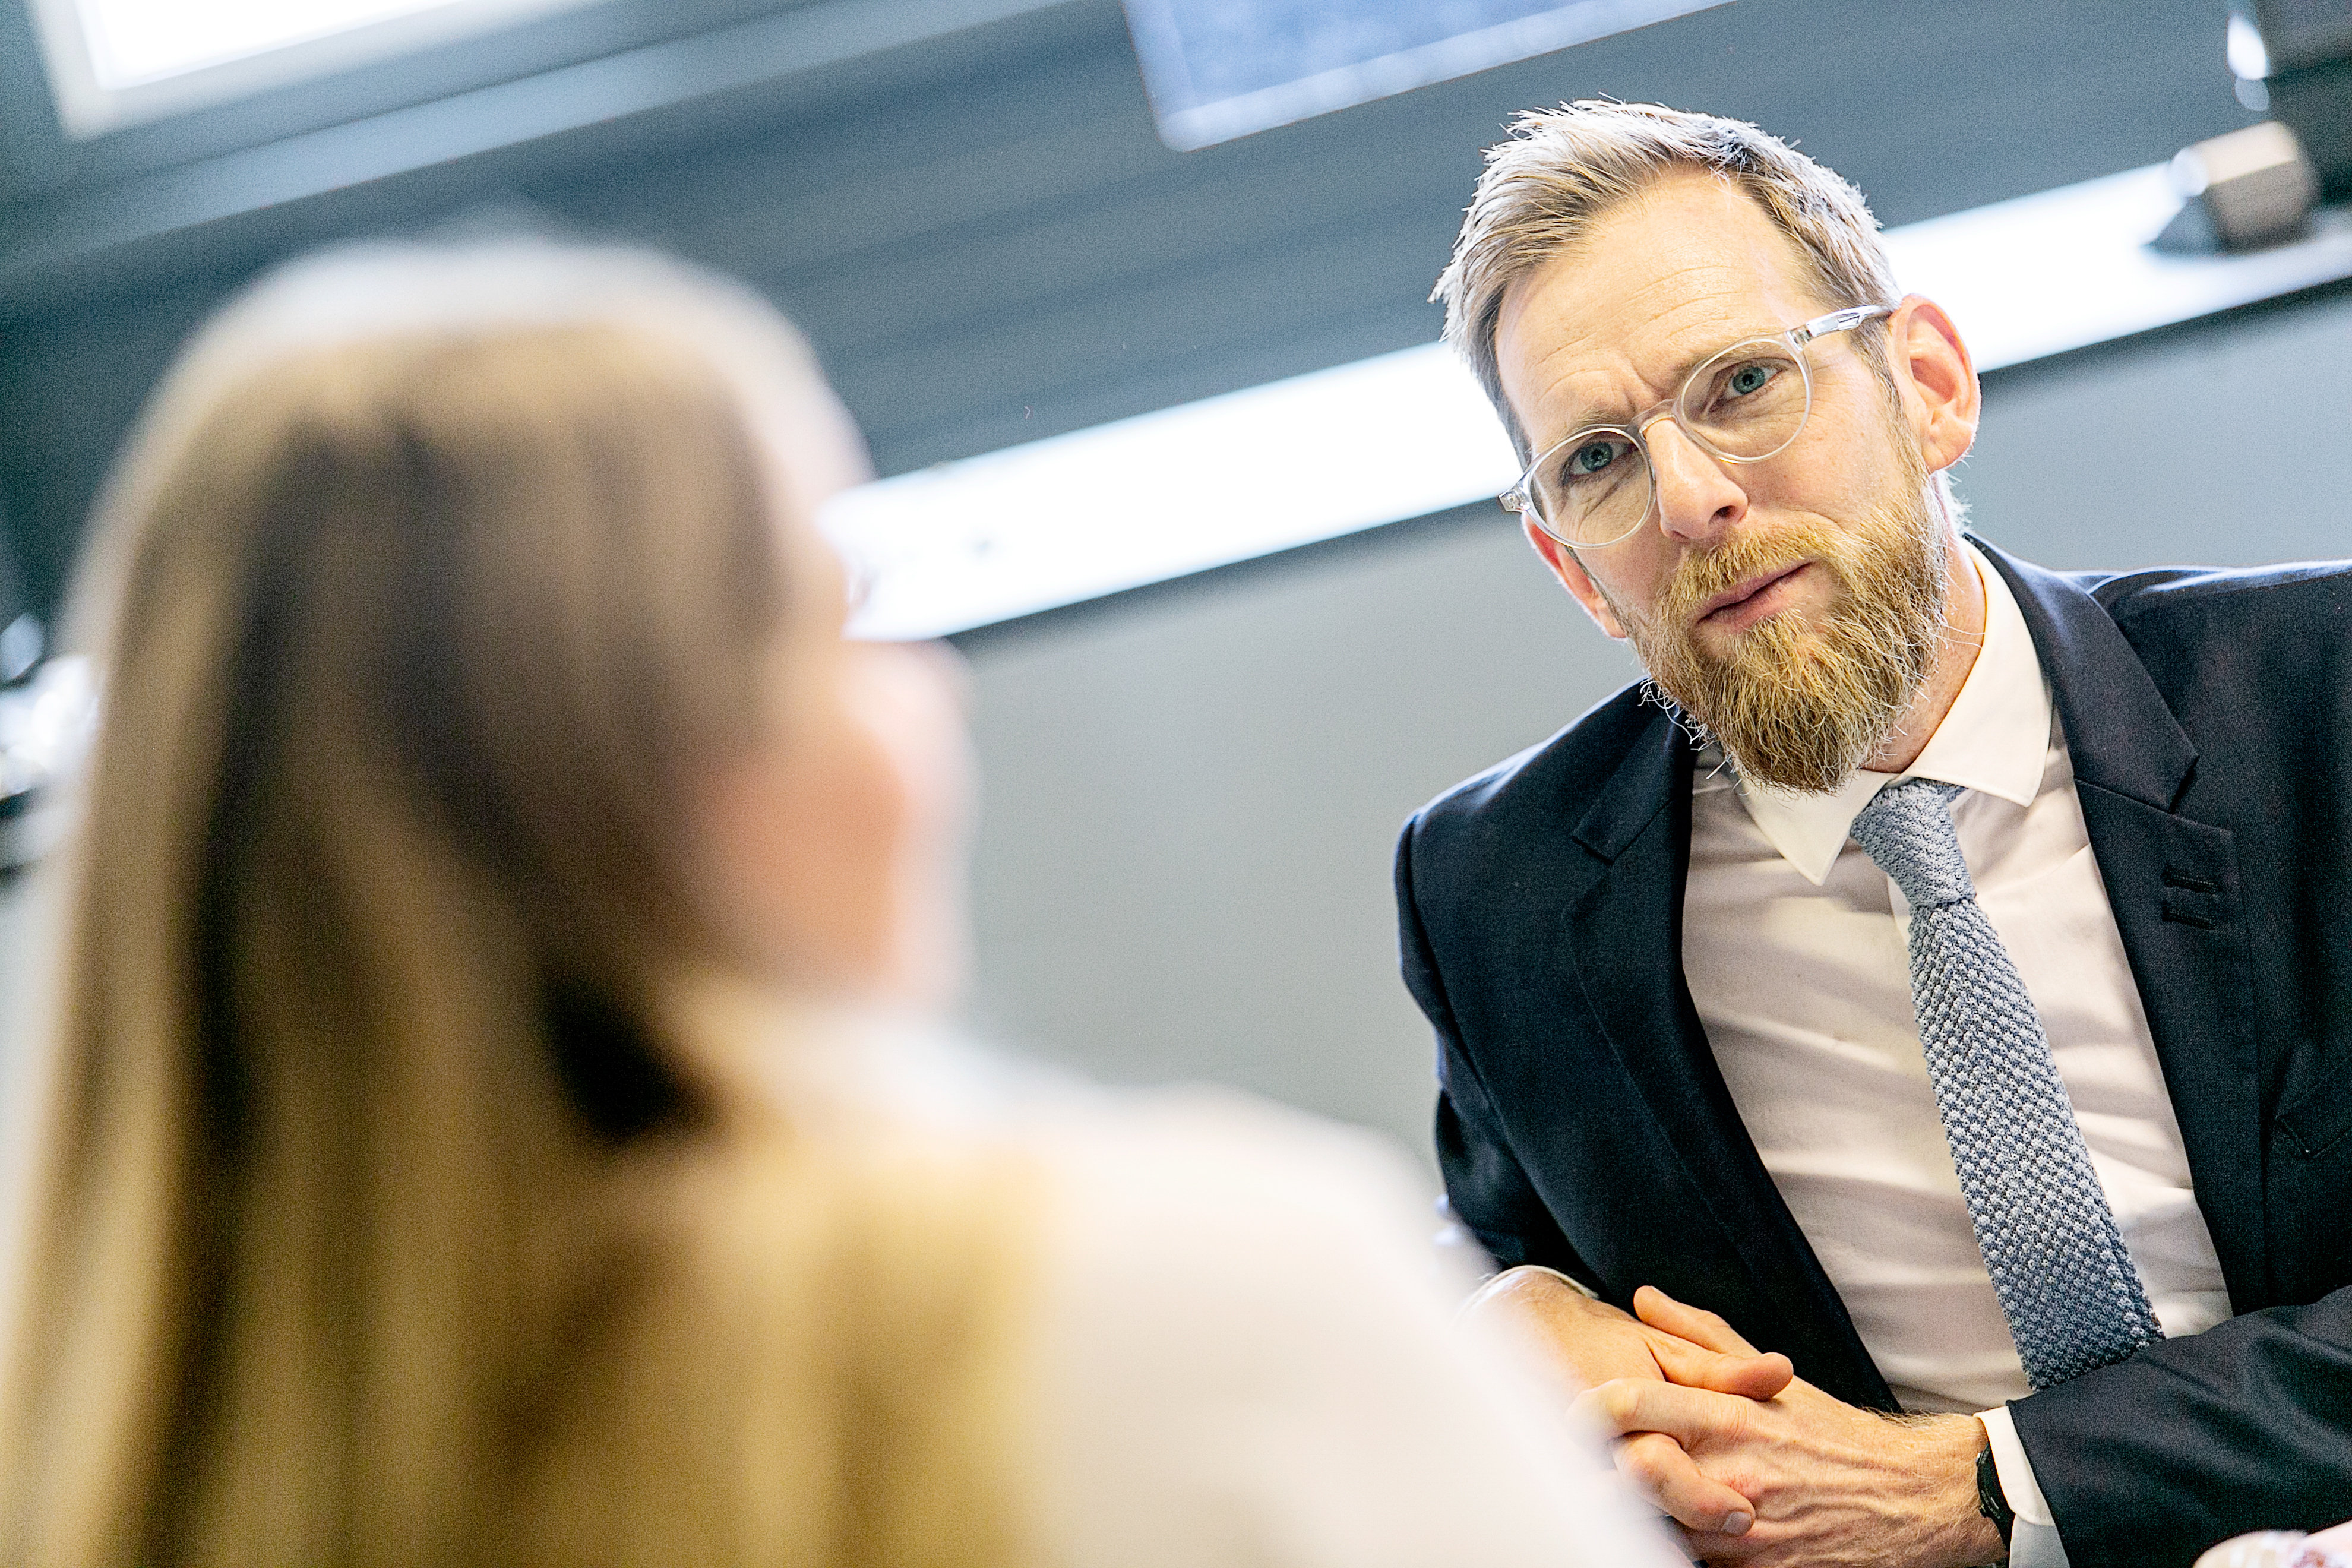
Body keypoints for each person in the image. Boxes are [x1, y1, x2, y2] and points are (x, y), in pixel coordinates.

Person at [0, 239, 1681, 1568]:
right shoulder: (1196, 1296)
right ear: (639, 767)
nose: (931, 687)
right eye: (841, 609)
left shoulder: (94, 1462)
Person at [1398, 100, 2352, 1568]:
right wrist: (1500, 1317)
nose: (1693, 498)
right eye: (1597, 461)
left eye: (1743, 384)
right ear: (1570, 567)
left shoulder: (2321, 696)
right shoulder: (1501, 897)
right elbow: (1511, 1253)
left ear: (1927, 384)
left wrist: (1995, 1483)